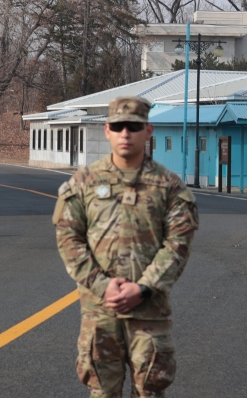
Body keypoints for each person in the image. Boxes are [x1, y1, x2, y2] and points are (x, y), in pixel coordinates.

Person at [53, 96, 199, 397]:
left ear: (148, 131)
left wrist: (143, 288)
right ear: (107, 130)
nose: (125, 133)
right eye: (118, 126)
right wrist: (102, 285)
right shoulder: (84, 183)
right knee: (102, 392)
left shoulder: (170, 187)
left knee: (150, 391)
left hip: (149, 312)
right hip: (100, 311)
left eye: (134, 126)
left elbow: (178, 245)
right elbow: (69, 238)